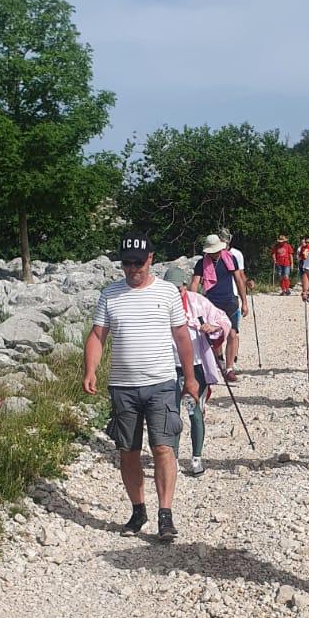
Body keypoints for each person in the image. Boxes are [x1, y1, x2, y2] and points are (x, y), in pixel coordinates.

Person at [83, 231, 198, 541]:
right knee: (128, 451)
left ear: (151, 259)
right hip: (123, 386)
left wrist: (190, 378)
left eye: (138, 263)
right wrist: (90, 369)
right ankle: (138, 510)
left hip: (161, 382)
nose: (133, 269)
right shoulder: (110, 294)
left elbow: (182, 337)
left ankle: (165, 514)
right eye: (126, 264)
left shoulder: (167, 293)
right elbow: (97, 335)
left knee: (163, 447)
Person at [164, 265, 231, 476]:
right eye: (171, 289)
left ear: (185, 287)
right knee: (170, 413)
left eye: (179, 289)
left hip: (194, 366)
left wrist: (213, 328)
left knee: (194, 411)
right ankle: (171, 458)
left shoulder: (197, 302)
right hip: (167, 366)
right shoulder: (158, 304)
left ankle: (196, 457)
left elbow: (223, 319)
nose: (176, 293)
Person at [191, 234, 248, 381]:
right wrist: (192, 303)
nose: (214, 253)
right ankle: (220, 362)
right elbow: (194, 284)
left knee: (232, 334)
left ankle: (229, 368)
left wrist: (244, 302)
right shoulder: (201, 264)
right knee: (215, 336)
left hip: (230, 301)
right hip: (211, 305)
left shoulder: (230, 259)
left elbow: (239, 280)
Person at [217, 228, 246, 366]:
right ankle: (220, 358)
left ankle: (232, 359)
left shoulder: (236, 255)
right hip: (218, 297)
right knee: (218, 330)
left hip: (233, 295)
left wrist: (244, 296)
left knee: (233, 331)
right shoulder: (212, 254)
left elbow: (240, 276)